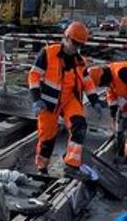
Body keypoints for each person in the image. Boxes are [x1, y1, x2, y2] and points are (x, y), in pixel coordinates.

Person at [27, 20, 104, 178]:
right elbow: (34, 75)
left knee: (79, 126)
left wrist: (95, 99)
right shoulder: (48, 53)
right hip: (48, 102)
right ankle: (41, 168)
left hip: (69, 100)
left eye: (79, 45)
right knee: (47, 138)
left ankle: (71, 165)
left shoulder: (79, 61)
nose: (75, 48)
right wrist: (36, 98)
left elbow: (87, 81)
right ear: (66, 38)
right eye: (74, 43)